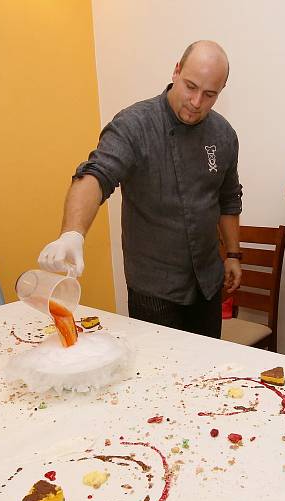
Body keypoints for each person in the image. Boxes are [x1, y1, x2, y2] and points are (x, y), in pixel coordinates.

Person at [38, 41, 242, 339]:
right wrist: (73, 232)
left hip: (207, 285)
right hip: (154, 291)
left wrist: (234, 254)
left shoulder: (223, 134)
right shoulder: (135, 124)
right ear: (176, 71)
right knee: (159, 378)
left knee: (205, 377)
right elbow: (96, 174)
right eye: (190, 86)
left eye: (209, 94)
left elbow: (228, 198)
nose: (196, 101)